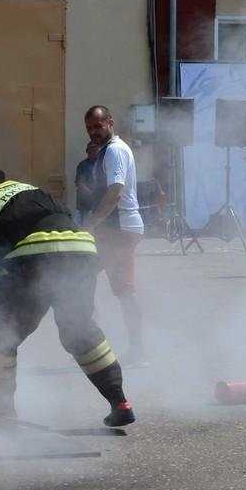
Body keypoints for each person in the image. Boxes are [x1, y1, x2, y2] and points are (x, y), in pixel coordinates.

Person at [0, 169, 134, 427]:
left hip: (35, 256)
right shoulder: (17, 188)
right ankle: (120, 402)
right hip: (81, 251)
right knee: (79, 330)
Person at [83, 105, 145, 367]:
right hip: (115, 229)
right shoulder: (106, 152)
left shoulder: (115, 151)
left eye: (98, 126)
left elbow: (116, 190)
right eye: (89, 128)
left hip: (119, 229)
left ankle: (97, 345)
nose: (93, 132)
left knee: (84, 277)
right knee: (117, 290)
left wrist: (91, 222)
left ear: (110, 122)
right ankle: (126, 348)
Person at [74, 140, 100, 226]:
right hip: (85, 205)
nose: (94, 152)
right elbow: (80, 183)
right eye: (91, 150)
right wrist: (92, 194)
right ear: (88, 151)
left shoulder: (102, 164)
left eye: (96, 149)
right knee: (86, 227)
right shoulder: (83, 165)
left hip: (98, 205)